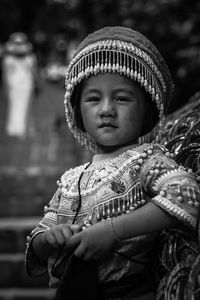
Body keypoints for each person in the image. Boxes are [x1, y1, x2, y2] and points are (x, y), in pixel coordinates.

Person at [25, 26, 200, 300]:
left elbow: (186, 196)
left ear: (147, 111)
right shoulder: (72, 178)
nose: (106, 109)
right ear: (78, 112)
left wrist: (113, 231)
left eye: (121, 98)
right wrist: (49, 239)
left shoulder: (147, 160)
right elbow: (40, 234)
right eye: (93, 99)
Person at [2, 32, 38, 138]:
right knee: (16, 107)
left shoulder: (29, 58)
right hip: (16, 86)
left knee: (22, 107)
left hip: (24, 86)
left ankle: (20, 129)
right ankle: (16, 129)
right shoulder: (9, 60)